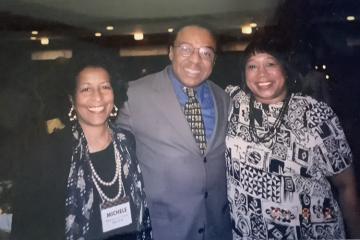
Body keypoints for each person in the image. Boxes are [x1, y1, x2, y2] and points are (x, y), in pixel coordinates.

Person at [225, 38, 360, 239]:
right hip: (250, 233)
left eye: (271, 64)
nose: (262, 73)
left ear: (285, 69)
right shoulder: (234, 102)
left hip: (310, 232)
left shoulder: (314, 113)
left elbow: (346, 185)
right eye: (252, 66)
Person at [11, 56, 152, 240]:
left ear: (115, 93)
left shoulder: (127, 142)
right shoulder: (46, 152)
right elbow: (25, 226)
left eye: (105, 87)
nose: (98, 97)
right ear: (72, 98)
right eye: (86, 89)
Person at [116, 24, 232, 240]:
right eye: (186, 49)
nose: (195, 60)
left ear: (214, 60)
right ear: (170, 52)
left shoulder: (224, 99)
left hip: (218, 229)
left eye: (206, 53)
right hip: (165, 231)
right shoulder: (134, 95)